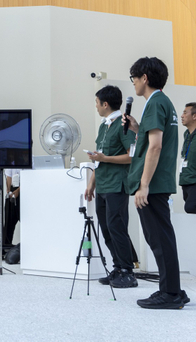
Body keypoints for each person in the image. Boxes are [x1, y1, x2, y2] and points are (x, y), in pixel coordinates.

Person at [123, 57, 189, 309]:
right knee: (163, 238)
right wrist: (137, 128)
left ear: (145, 78)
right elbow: (154, 139)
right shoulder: (164, 102)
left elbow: (156, 147)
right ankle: (174, 290)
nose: (133, 83)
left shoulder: (154, 103)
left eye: (134, 78)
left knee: (159, 240)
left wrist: (144, 185)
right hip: (159, 182)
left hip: (153, 184)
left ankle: (170, 293)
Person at [84, 85, 138, 288]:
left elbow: (131, 156)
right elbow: (99, 157)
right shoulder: (103, 126)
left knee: (117, 228)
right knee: (106, 229)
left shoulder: (123, 125)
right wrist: (91, 183)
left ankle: (127, 271)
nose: (96, 106)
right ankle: (117, 267)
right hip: (103, 185)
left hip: (117, 184)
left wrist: (105, 158)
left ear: (105, 104)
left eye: (97, 103)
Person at [3, 169, 20, 247]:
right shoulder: (11, 162)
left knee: (27, 221)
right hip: (13, 189)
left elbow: (30, 178)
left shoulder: (29, 161)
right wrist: (9, 190)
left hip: (25, 188)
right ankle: (5, 247)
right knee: (8, 221)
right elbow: (8, 176)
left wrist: (18, 191)